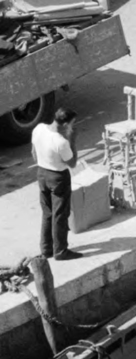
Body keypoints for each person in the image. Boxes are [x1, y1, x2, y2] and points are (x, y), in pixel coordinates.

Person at [33, 108, 79, 261]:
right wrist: (72, 139)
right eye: (71, 124)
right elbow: (72, 163)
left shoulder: (38, 129)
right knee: (60, 214)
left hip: (41, 173)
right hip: (58, 177)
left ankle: (46, 250)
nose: (72, 127)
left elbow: (33, 153)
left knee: (47, 213)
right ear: (65, 124)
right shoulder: (61, 142)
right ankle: (60, 251)